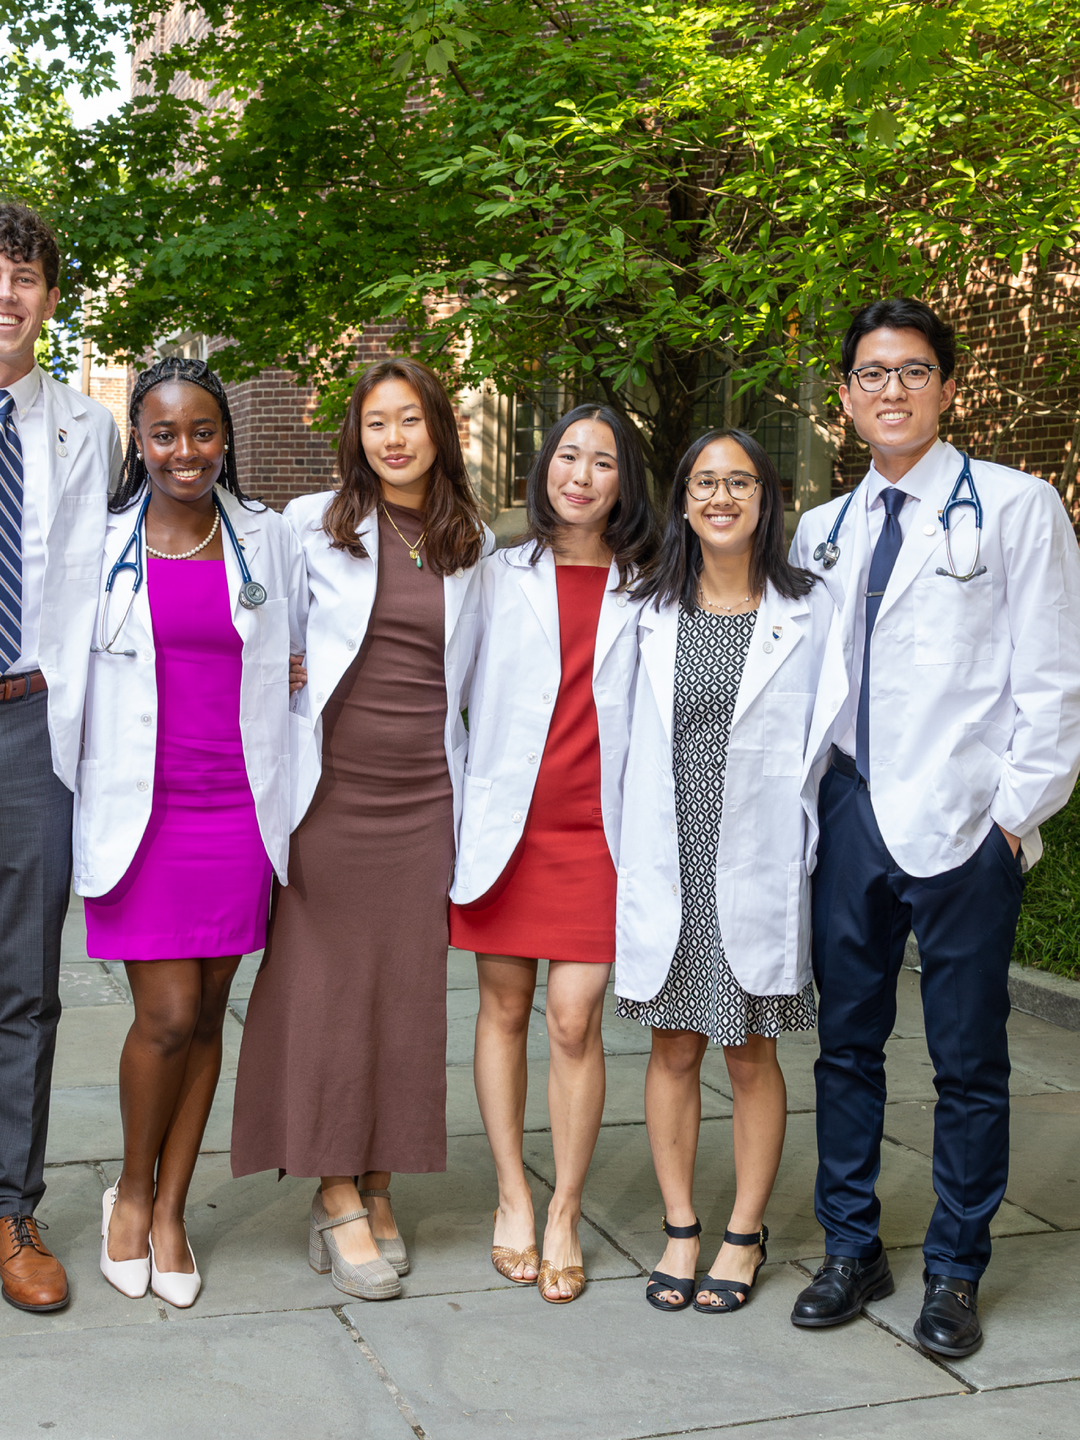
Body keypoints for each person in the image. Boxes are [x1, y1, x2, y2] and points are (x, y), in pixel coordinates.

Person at [789, 297, 1080, 1356]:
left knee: (969, 1061)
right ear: (847, 397)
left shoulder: (1015, 505)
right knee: (846, 1050)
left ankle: (955, 1269)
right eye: (872, 374)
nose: (892, 390)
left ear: (948, 387)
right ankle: (851, 1246)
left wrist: (1012, 817)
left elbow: (1053, 680)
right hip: (852, 811)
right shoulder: (824, 530)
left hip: (966, 825)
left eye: (913, 371)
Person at [231, 357, 492, 1302]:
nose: (393, 438)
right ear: (357, 434)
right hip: (332, 793)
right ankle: (334, 1186)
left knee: (403, 995)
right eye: (377, 421)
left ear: (437, 431)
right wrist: (285, 667)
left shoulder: (473, 542)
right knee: (328, 992)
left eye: (410, 420)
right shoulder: (312, 523)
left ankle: (378, 1179)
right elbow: (262, 631)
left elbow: (484, 680)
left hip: (426, 797)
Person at [76, 356, 305, 1308]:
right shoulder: (100, 544)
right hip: (143, 812)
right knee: (164, 1018)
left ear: (226, 439)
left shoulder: (265, 538)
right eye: (165, 432)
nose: (185, 450)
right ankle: (128, 1192)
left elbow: (300, 652)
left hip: (239, 813)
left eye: (202, 432)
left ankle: (171, 1208)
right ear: (140, 438)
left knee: (211, 1018)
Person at [615, 429, 830, 1314]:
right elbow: (614, 732)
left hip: (759, 855)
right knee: (671, 1046)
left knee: (749, 1051)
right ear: (683, 498)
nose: (721, 496)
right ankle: (679, 1226)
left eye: (740, 481)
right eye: (704, 481)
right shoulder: (645, 604)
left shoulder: (809, 608)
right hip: (671, 854)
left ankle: (743, 1231)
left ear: (765, 498)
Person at [448, 404, 657, 1304]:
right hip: (509, 828)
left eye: (602, 461)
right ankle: (510, 1197)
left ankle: (566, 1208)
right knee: (503, 1009)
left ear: (624, 482)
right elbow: (439, 685)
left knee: (574, 1018)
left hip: (600, 836)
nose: (580, 474)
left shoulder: (654, 582)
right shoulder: (494, 574)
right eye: (567, 455)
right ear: (543, 470)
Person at [0, 203, 121, 1314]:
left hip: (34, 725)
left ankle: (11, 1207)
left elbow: (119, 581)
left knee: (26, 985)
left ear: (48, 295)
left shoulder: (91, 429)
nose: (7, 291)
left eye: (26, 274)